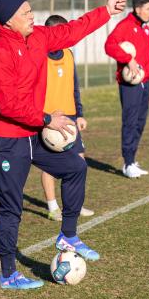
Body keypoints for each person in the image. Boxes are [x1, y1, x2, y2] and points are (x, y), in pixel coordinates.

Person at [0, 0, 130, 290]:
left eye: (31, 9)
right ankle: (9, 273)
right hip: (4, 137)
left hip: (29, 132)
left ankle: (68, 235)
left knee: (75, 167)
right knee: (12, 206)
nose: (32, 15)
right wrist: (47, 119)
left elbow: (72, 30)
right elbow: (7, 105)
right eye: (25, 13)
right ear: (7, 21)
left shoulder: (37, 36)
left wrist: (105, 11)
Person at [42, 14, 94, 222]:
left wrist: (79, 113)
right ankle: (52, 206)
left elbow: (74, 86)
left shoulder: (69, 54)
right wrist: (43, 117)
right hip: (50, 119)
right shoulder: (39, 55)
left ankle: (74, 204)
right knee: (51, 163)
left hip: (71, 116)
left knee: (79, 161)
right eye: (62, 31)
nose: (66, 35)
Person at [105, 0, 149, 179]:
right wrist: (128, 60)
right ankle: (127, 164)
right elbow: (109, 46)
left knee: (140, 122)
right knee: (130, 122)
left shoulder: (146, 30)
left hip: (144, 83)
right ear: (138, 9)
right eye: (148, 9)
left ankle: (132, 159)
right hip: (129, 84)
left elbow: (148, 59)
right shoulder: (125, 26)